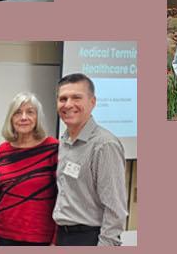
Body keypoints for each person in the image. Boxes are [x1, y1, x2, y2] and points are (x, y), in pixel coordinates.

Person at [52, 74, 126, 246]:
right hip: (63, 235)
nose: (68, 104)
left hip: (90, 238)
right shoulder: (64, 141)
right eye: (63, 99)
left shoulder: (104, 145)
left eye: (76, 97)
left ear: (92, 102)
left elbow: (115, 211)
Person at [0, 93, 57, 246]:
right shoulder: (3, 150)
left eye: (30, 112)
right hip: (5, 235)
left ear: (37, 117)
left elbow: (61, 197)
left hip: (40, 237)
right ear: (11, 119)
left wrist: (56, 239)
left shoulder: (52, 148)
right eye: (18, 113)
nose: (24, 117)